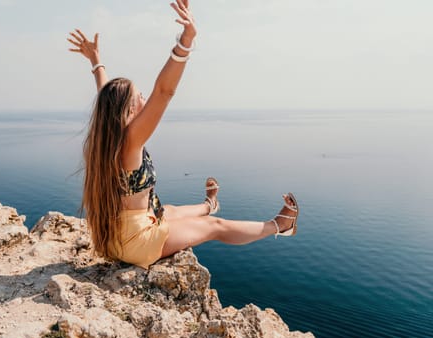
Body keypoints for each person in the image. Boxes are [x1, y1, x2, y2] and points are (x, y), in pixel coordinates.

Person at [68, 0, 299, 270]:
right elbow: (164, 92)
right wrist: (185, 41)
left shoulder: (106, 138)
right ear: (129, 111)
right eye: (139, 95)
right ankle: (280, 225)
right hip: (136, 242)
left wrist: (97, 61)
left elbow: (106, 97)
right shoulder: (131, 140)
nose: (144, 97)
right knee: (215, 227)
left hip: (117, 236)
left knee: (172, 211)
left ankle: (209, 204)